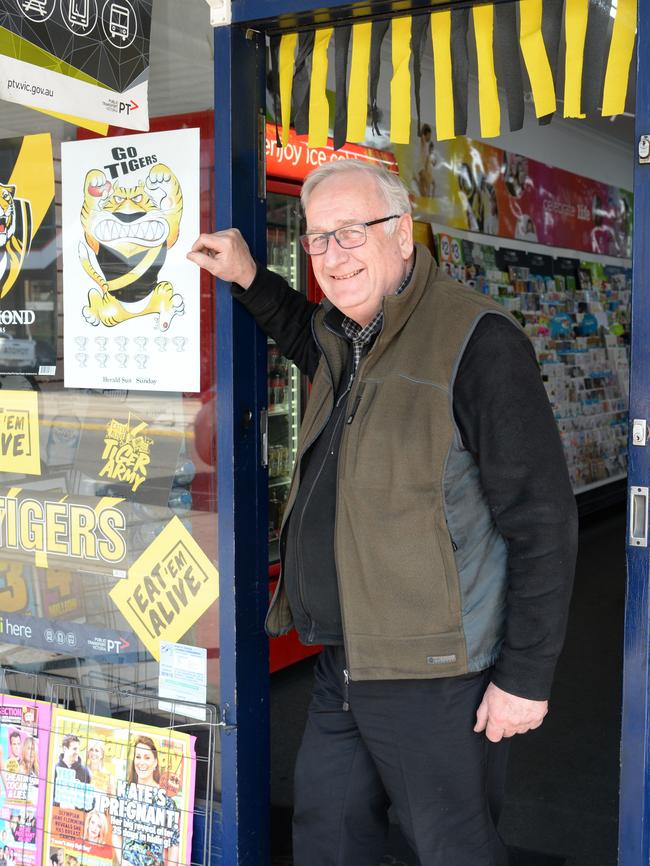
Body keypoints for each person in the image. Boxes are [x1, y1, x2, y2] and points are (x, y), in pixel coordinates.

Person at [188, 160, 578, 866]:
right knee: (329, 836)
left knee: (453, 848)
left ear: (401, 232)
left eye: (350, 233)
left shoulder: (478, 342)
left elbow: (542, 520)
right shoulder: (348, 333)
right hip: (347, 660)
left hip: (439, 674)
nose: (333, 257)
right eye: (317, 241)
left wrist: (526, 676)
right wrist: (250, 274)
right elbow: (306, 338)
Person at [113, 736, 179, 866]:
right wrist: (123, 861)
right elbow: (116, 833)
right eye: (138, 757)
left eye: (147, 757)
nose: (141, 762)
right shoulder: (124, 793)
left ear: (155, 762)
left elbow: (173, 844)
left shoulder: (166, 801)